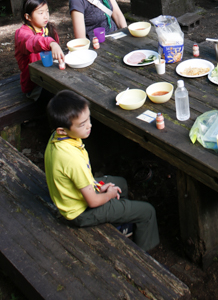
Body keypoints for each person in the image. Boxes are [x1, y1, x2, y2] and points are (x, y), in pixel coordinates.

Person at [44, 91, 159, 251]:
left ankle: (119, 227)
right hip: (79, 213)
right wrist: (108, 194)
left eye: (88, 119)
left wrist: (98, 187)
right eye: (82, 124)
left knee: (121, 184)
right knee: (147, 212)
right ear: (62, 130)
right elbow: (93, 201)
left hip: (72, 197)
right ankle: (145, 256)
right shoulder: (71, 158)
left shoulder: (57, 138)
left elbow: (80, 180)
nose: (89, 126)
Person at [15, 0, 64, 100]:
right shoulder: (22, 34)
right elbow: (33, 42)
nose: (46, 16)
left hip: (52, 77)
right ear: (27, 17)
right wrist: (51, 43)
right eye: (41, 13)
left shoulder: (49, 30)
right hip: (35, 85)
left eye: (47, 11)